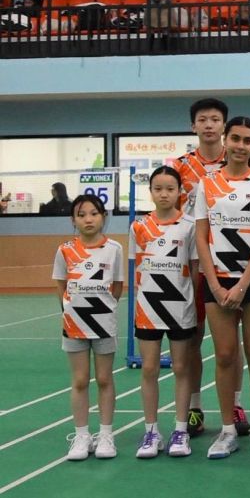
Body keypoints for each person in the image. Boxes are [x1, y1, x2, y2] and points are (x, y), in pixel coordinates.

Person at [193, 116, 250, 459]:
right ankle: (228, 429)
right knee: (226, 355)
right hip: (217, 280)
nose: (241, 146)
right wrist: (213, 284)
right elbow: (201, 236)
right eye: (237, 139)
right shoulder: (206, 183)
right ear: (226, 141)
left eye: (248, 140)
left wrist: (244, 284)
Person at [131, 167, 199, 459]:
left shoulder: (190, 225)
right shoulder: (139, 227)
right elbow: (135, 268)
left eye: (170, 188)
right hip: (147, 309)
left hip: (180, 307)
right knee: (149, 368)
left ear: (179, 192)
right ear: (151, 192)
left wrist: (192, 302)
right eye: (158, 188)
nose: (164, 194)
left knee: (182, 368)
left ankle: (181, 430)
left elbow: (196, 271)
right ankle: (151, 431)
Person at [174, 97, 229, 438]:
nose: (209, 125)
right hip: (190, 265)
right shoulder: (179, 166)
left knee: (228, 344)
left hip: (229, 263)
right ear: (193, 126)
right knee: (192, 339)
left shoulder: (239, 161)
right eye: (202, 120)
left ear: (224, 125)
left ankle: (234, 405)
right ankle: (194, 407)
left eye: (215, 119)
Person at [55, 193, 126, 461]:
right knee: (80, 380)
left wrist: (104, 308)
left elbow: (117, 287)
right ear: (73, 220)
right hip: (74, 324)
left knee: (105, 379)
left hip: (103, 323)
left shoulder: (115, 249)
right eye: (81, 214)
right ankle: (82, 435)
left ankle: (106, 434)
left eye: (94, 213)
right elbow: (61, 286)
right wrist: (70, 311)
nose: (88, 219)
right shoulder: (64, 250)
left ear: (103, 217)